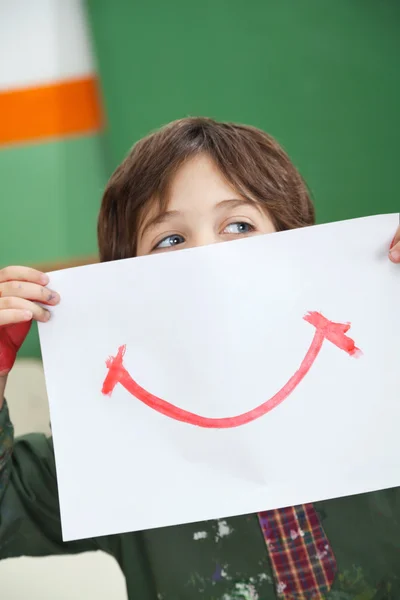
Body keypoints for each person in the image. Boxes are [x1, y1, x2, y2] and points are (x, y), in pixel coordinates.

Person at [0, 118, 399, 600]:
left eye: (239, 225)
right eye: (170, 239)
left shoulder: (380, 391)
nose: (208, 259)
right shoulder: (106, 451)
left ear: (299, 247)